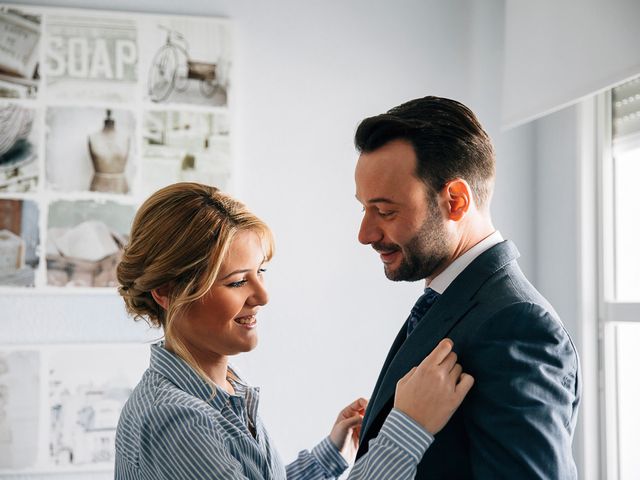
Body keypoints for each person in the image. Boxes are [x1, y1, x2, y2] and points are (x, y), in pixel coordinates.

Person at [114, 182, 474, 479]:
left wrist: (330, 453)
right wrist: (407, 429)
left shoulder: (220, 390)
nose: (262, 296)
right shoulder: (177, 420)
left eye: (261, 273)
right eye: (238, 282)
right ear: (167, 292)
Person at [353, 96, 580, 479]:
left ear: (455, 201)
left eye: (386, 211)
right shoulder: (453, 302)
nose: (365, 234)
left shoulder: (516, 326)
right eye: (364, 208)